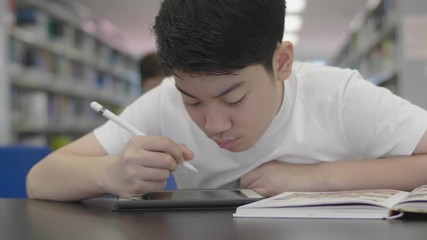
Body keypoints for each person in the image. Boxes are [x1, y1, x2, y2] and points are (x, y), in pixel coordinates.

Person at [26, 0, 427, 201]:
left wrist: (315, 179)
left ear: (282, 62)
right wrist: (111, 174)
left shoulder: (339, 96)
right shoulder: (163, 102)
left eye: (233, 98)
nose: (214, 125)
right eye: (192, 101)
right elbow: (39, 180)